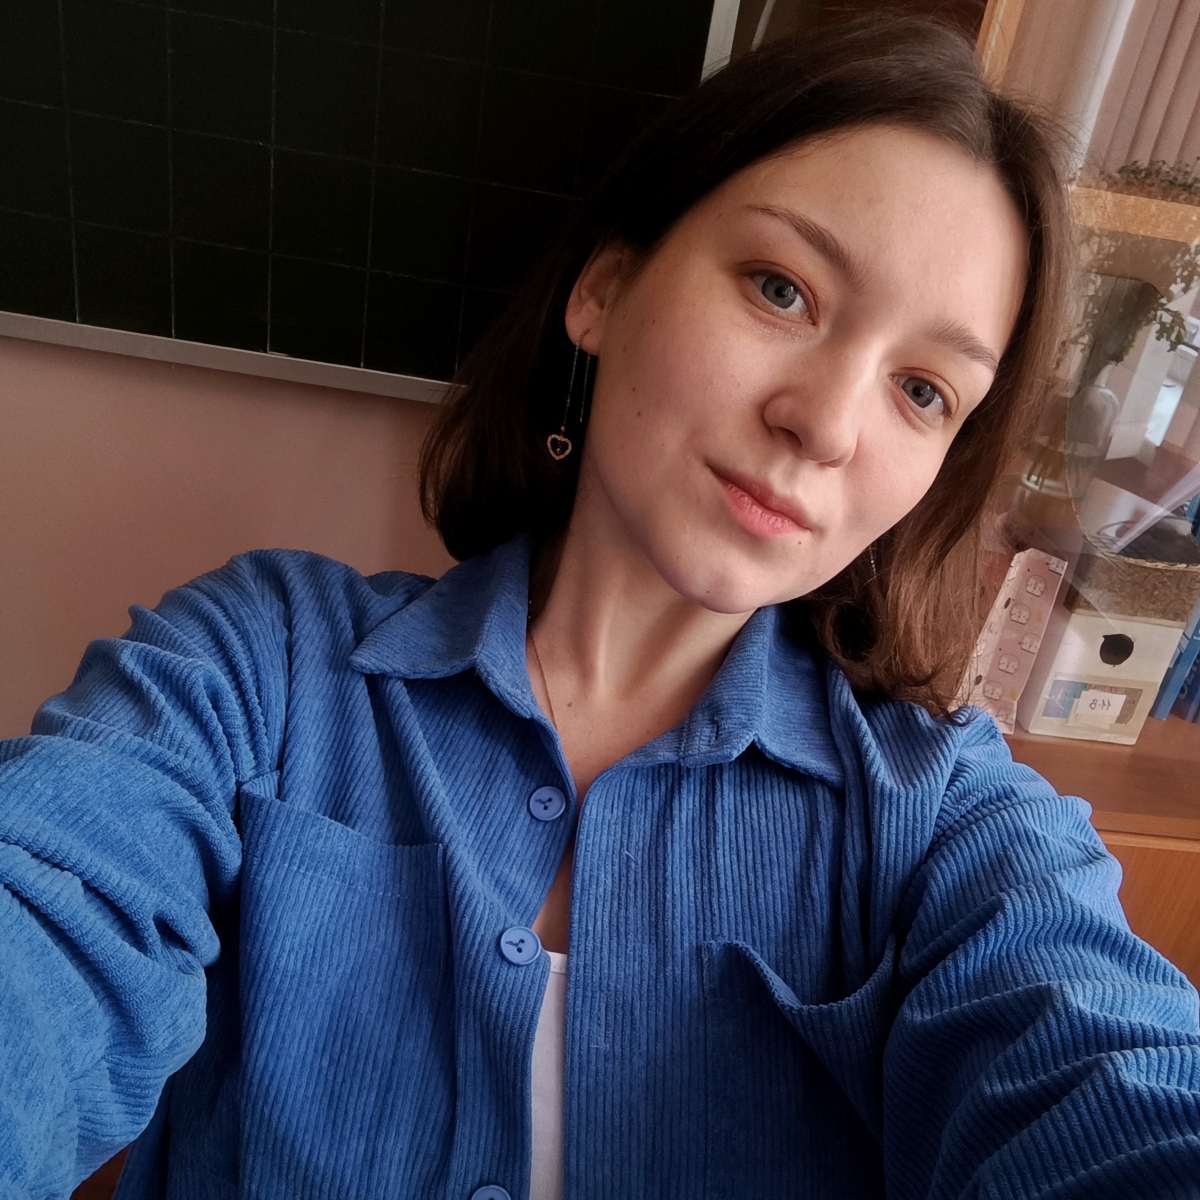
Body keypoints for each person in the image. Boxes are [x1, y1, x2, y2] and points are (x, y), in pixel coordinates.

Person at [2, 14, 1199, 1200]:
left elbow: (1105, 1078)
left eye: (924, 390)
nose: (828, 424)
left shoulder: (942, 817)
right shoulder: (259, 663)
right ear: (606, 288)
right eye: (782, 288)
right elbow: (44, 915)